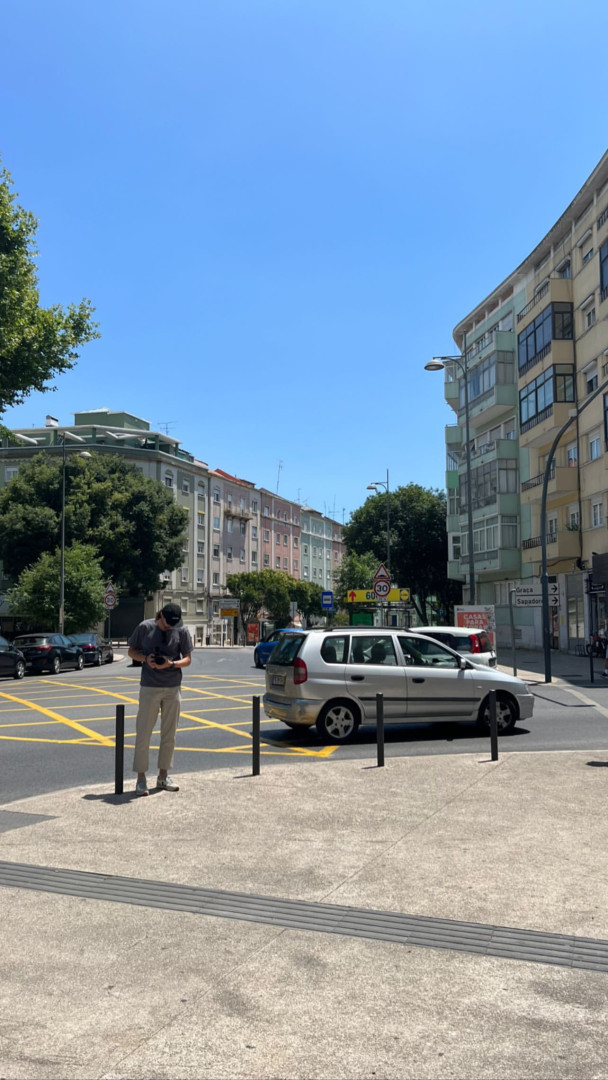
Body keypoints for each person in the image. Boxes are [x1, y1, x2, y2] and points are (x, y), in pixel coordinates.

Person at [128, 602, 193, 795]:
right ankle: (141, 779)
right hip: (150, 687)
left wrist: (171, 663)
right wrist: (144, 659)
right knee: (143, 733)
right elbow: (131, 651)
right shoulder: (145, 627)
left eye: (174, 624)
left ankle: (163, 776)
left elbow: (188, 659)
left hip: (173, 687)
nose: (171, 627)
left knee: (169, 734)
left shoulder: (181, 630)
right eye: (168, 623)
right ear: (161, 616)